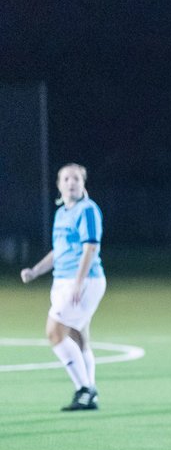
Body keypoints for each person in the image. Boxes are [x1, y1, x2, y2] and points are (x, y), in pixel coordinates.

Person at [18, 163, 107, 411]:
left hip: (84, 281)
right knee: (78, 338)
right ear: (59, 185)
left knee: (54, 332)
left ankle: (84, 389)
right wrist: (35, 271)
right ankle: (91, 393)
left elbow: (90, 248)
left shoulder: (87, 210)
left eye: (76, 178)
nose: (71, 183)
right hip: (64, 280)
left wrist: (78, 283)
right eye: (66, 178)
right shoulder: (62, 213)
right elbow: (60, 252)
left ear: (83, 183)